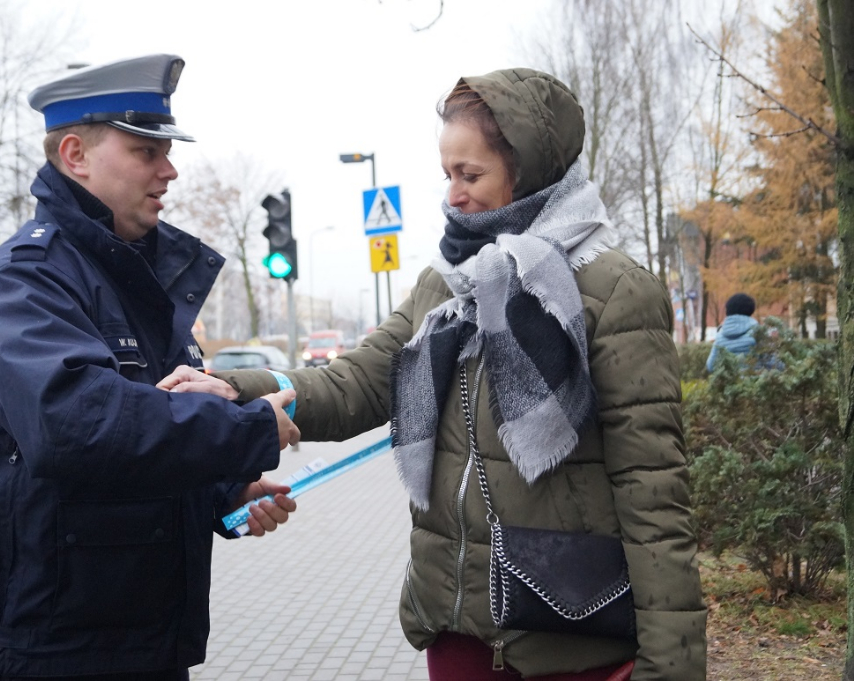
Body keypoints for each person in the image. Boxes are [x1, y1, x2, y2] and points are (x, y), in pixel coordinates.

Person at [165, 68, 706, 679]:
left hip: (569, 635)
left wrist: (673, 666)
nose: (453, 196)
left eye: (470, 175)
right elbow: (359, 382)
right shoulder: (448, 285)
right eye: (448, 174)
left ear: (528, 169)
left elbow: (654, 493)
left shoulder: (613, 292)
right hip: (456, 632)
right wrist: (234, 390)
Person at [0, 54, 300, 681]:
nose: (170, 170)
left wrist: (222, 490)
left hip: (139, 644)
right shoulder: (23, 284)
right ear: (75, 154)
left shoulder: (133, 281)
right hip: (49, 654)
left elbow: (141, 436)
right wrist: (244, 432)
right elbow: (79, 425)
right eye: (145, 151)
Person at [706, 293, 759, 372]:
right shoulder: (758, 333)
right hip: (755, 381)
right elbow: (773, 363)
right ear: (751, 309)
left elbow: (711, 365)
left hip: (728, 382)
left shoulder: (720, 335)